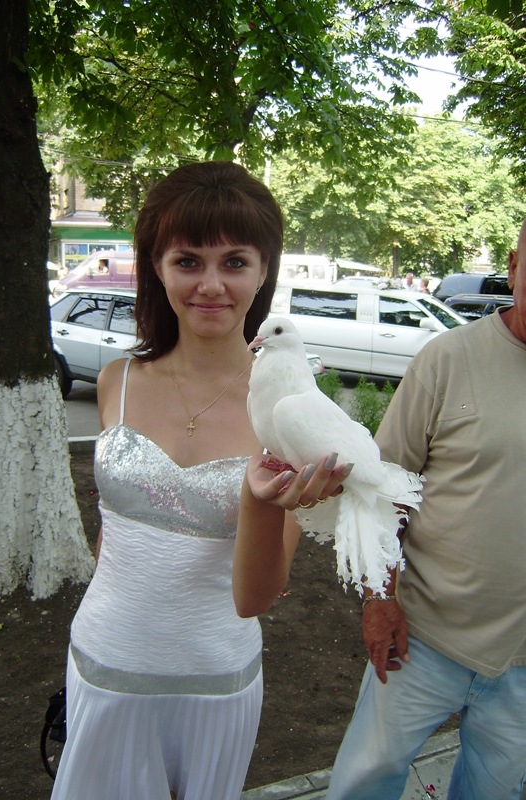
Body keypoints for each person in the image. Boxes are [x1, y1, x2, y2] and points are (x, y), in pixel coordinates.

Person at [50, 161, 347, 800]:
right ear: (157, 268)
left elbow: (256, 598)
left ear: (263, 272)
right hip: (103, 667)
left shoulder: (290, 415)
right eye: (188, 261)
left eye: (234, 262)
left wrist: (261, 504)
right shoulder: (118, 381)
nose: (211, 285)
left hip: (215, 682)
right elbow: (115, 537)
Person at [326, 224, 526, 800]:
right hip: (421, 636)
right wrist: (379, 599)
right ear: (513, 266)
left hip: (522, 662)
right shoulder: (448, 360)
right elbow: (381, 490)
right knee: (366, 779)